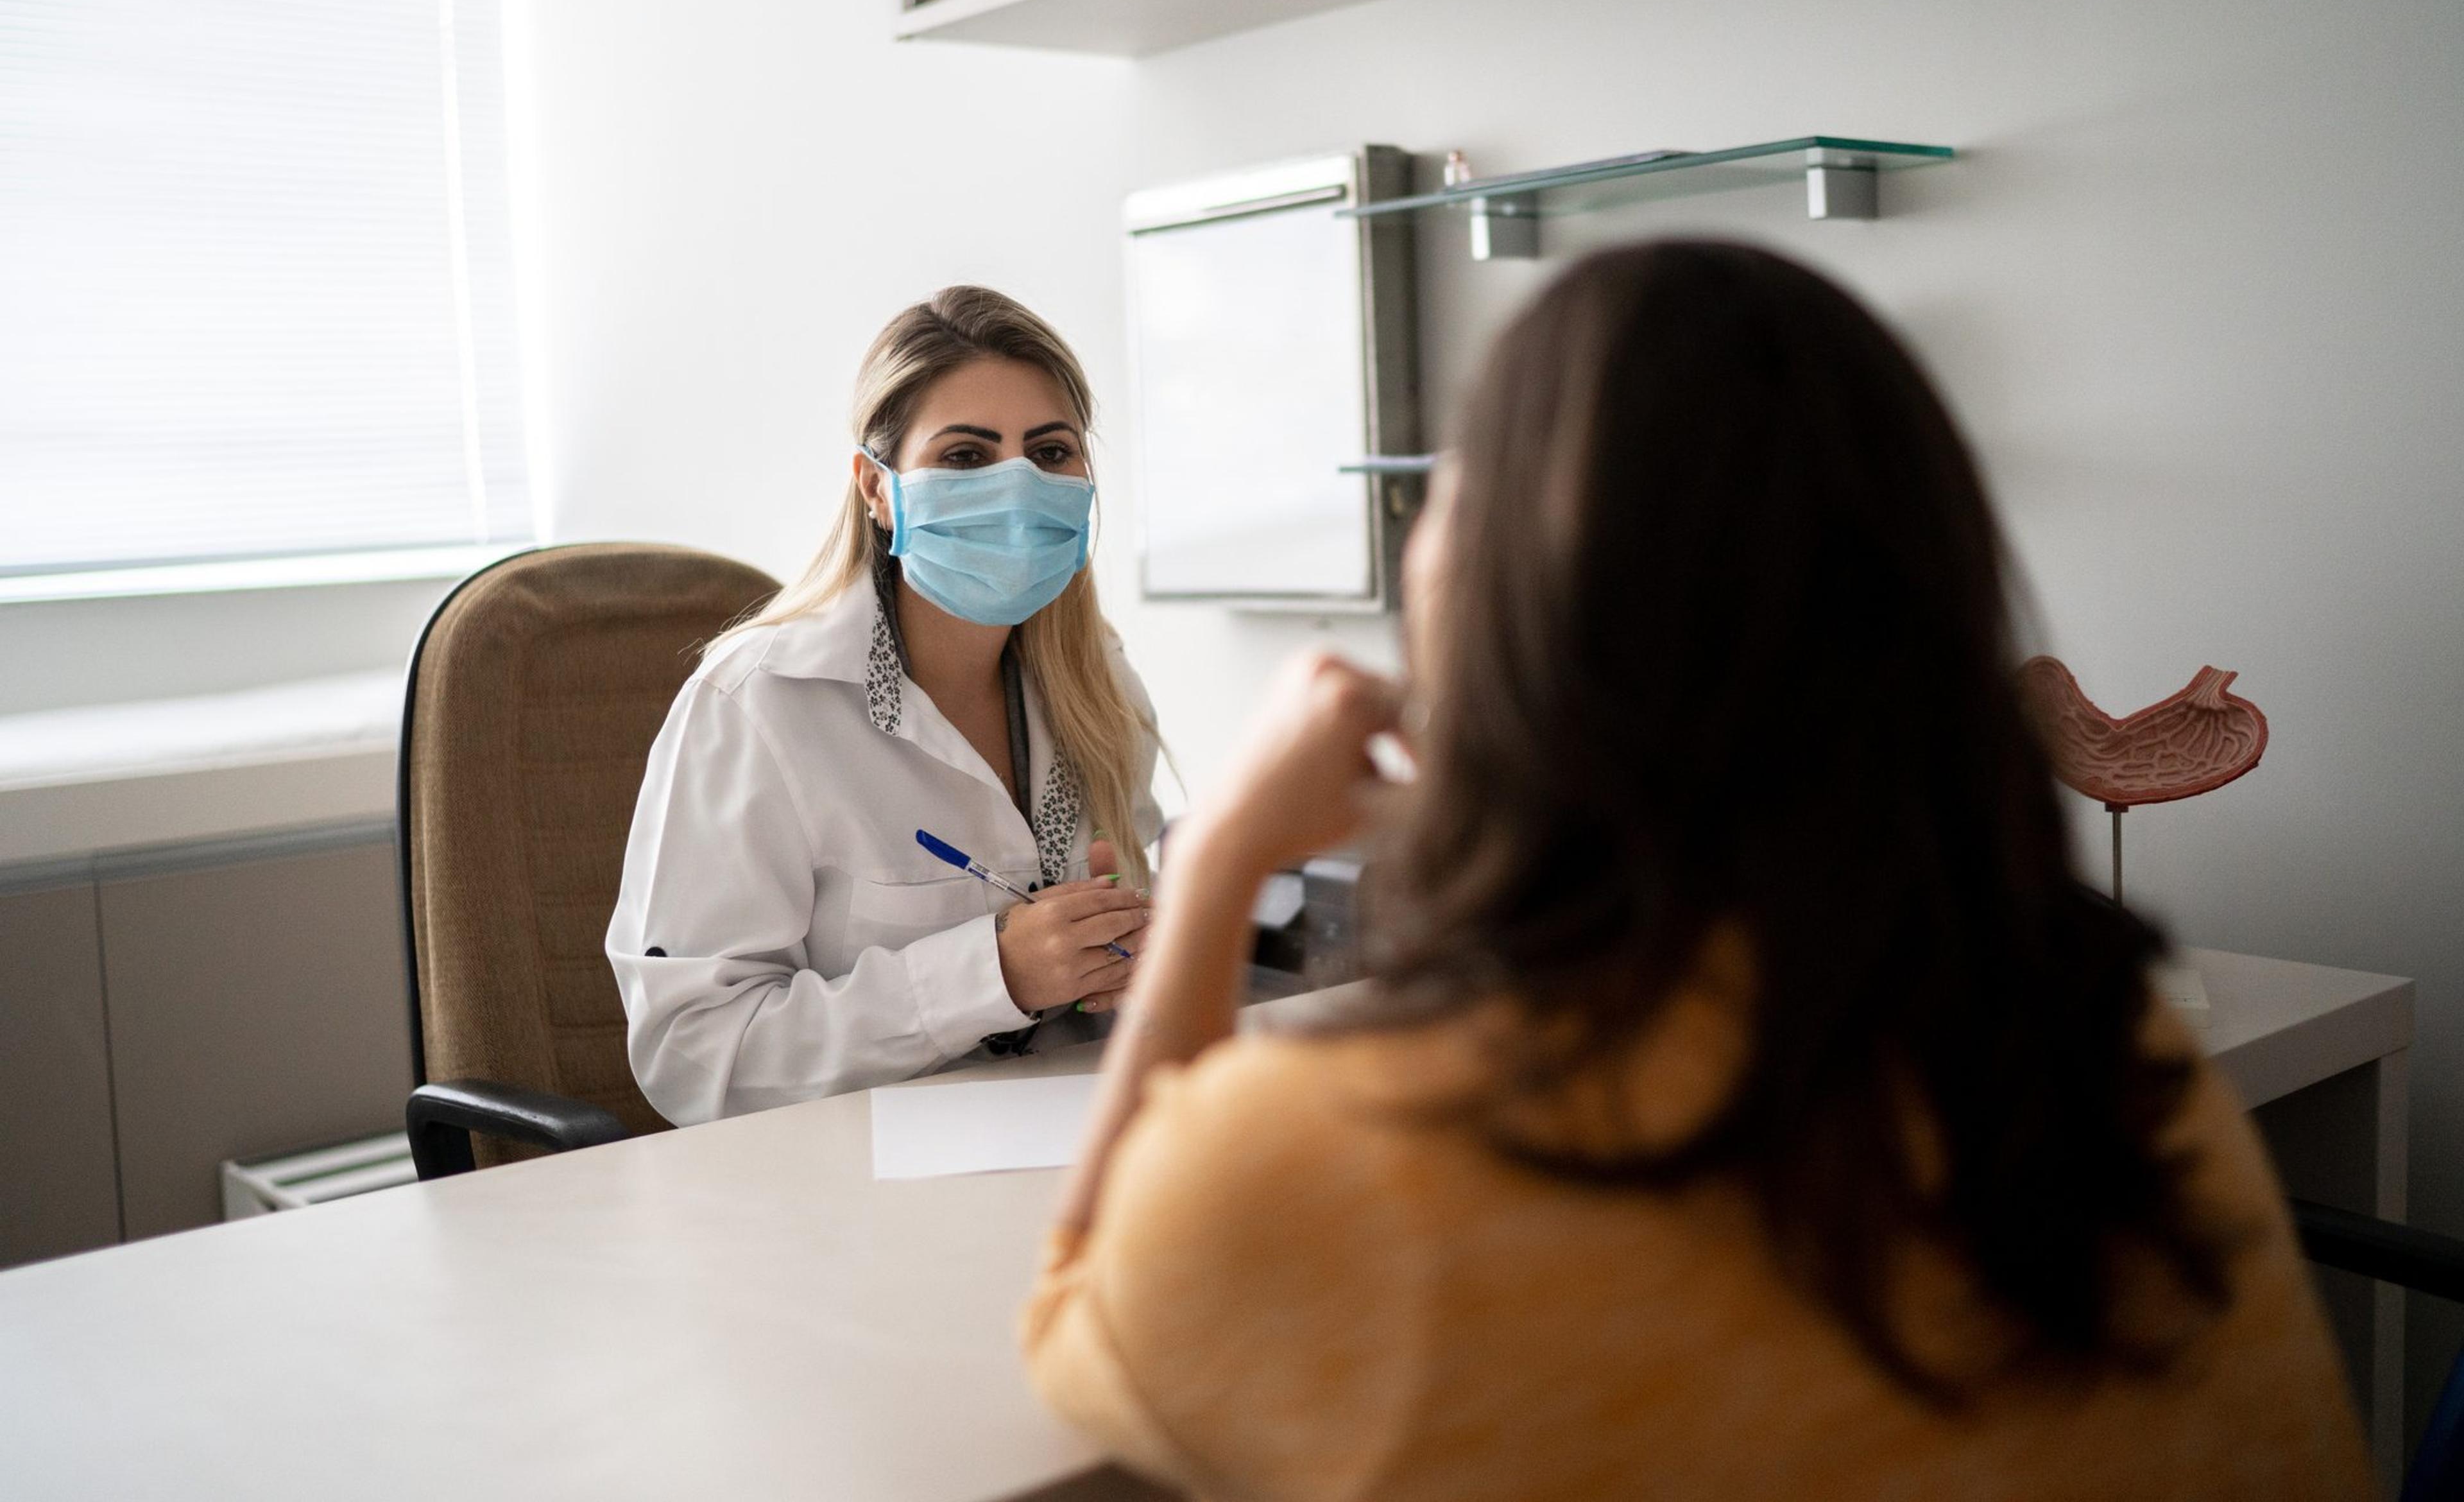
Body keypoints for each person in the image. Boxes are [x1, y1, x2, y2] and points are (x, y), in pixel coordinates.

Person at [1022, 241, 2370, 1499]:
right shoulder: (2101, 1052)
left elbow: (1093, 1316)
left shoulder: (1339, 1152)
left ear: (1500, 613)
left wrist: (1219, 867)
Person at [606, 286, 1161, 1126]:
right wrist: (991, 976)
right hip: (841, 1188)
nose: (1016, 490)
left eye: (1050, 453)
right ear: (876, 487)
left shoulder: (1100, 684)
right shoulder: (759, 706)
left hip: (1065, 1149)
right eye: (968, 458)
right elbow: (695, 1054)